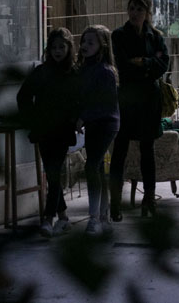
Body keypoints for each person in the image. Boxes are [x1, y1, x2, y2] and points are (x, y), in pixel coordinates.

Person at [109, 0, 170, 219]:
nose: (134, 13)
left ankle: (149, 200)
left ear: (147, 13)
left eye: (139, 9)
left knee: (148, 151)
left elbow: (163, 63)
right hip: (126, 99)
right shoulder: (119, 35)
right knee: (120, 152)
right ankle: (115, 202)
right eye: (132, 8)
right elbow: (122, 65)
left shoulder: (155, 37)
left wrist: (143, 63)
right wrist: (147, 66)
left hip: (149, 101)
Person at [16, 28, 80, 238]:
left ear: (69, 47)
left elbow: (81, 101)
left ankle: (47, 218)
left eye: (62, 47)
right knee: (52, 173)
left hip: (62, 131)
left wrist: (75, 119)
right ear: (48, 49)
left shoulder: (73, 74)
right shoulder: (42, 72)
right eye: (54, 47)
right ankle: (62, 217)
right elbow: (23, 96)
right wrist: (32, 119)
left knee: (53, 172)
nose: (58, 51)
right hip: (44, 130)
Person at [76, 25, 120, 236]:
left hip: (106, 124)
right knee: (97, 167)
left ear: (101, 46)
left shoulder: (105, 72)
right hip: (92, 124)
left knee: (91, 166)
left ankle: (94, 218)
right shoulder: (84, 68)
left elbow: (104, 104)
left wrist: (83, 117)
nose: (85, 46)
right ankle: (103, 215)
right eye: (83, 41)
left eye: (90, 43)